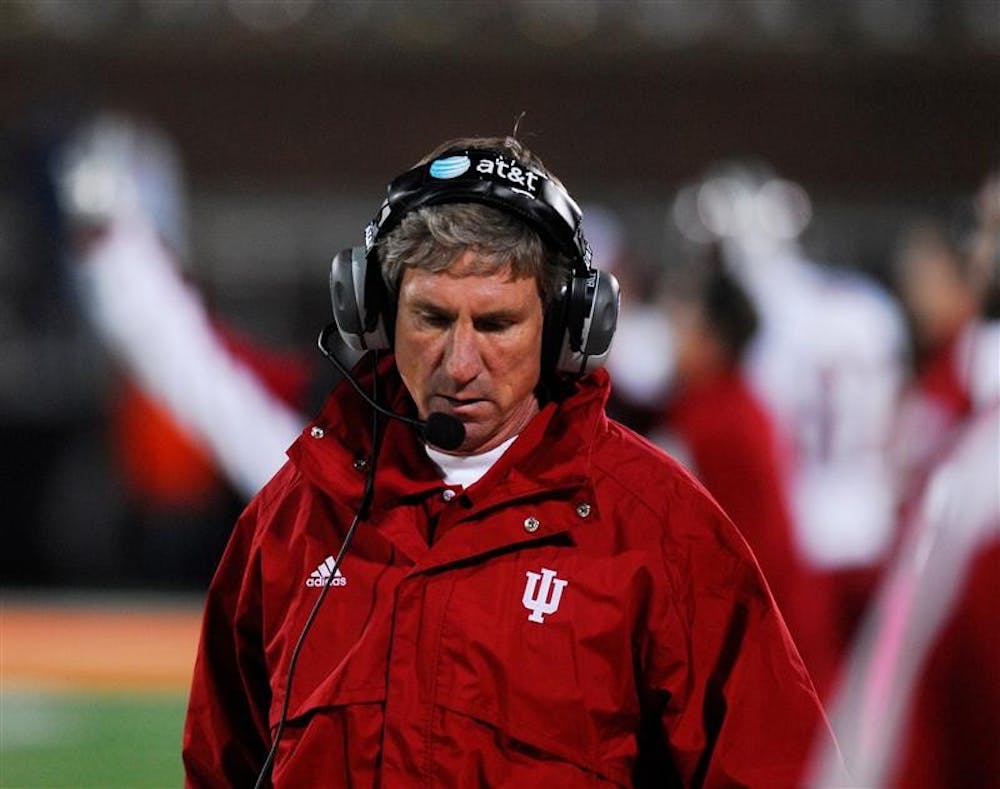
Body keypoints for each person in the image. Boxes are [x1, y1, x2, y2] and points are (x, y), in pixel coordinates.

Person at [183, 136, 837, 787]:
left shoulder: (663, 532)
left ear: (567, 329)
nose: (460, 363)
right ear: (373, 313)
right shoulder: (293, 518)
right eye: (431, 318)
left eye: (496, 325)